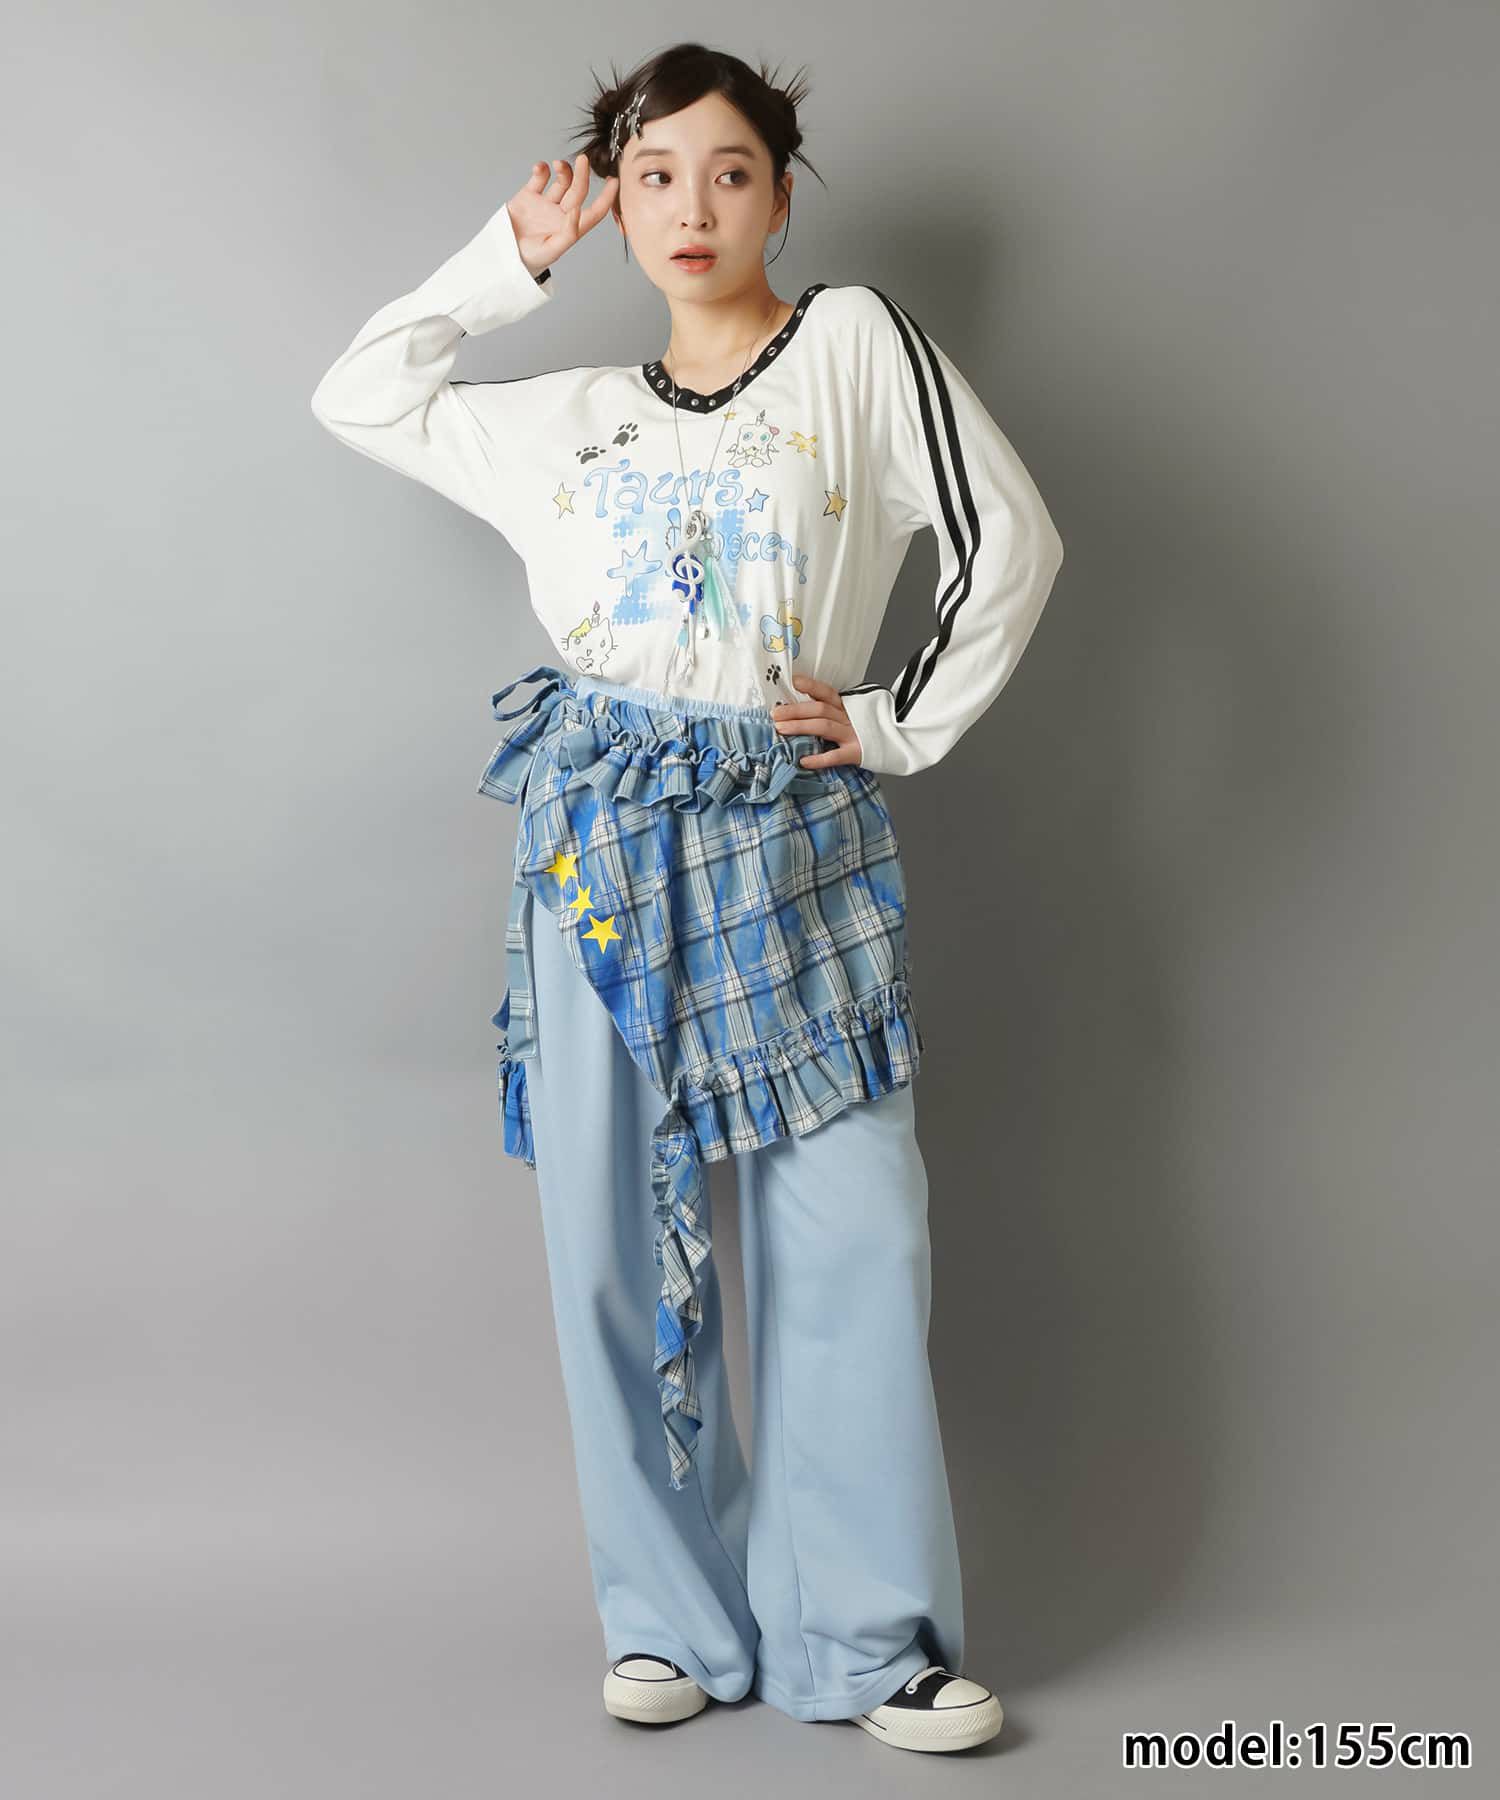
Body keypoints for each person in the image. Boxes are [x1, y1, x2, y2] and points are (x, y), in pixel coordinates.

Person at [310, 40, 1063, 1755]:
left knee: (852, 1231)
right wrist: (508, 258)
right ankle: (668, 1622)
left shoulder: (856, 347)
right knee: (604, 1232)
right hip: (597, 838)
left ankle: (868, 1643)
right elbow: (360, 394)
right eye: (651, 175)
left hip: (789, 830)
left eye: (729, 171)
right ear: (618, 203)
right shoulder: (565, 417)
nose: (691, 205)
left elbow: (1010, 541)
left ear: (782, 197)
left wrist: (892, 720)